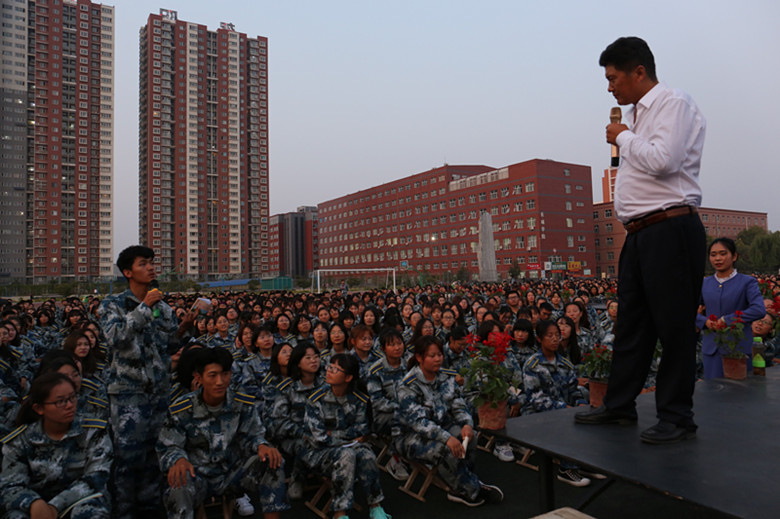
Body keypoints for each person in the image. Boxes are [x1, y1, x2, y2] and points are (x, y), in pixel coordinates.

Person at [575, 37, 707, 446]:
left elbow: (664, 161)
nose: (610, 87)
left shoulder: (673, 104)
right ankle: (619, 405)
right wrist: (627, 135)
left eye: (613, 78)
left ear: (638, 71)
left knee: (673, 326)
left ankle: (676, 416)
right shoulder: (635, 116)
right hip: (639, 235)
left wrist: (622, 138)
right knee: (632, 325)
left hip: (671, 228)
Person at [98, 245, 196, 517]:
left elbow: (167, 345)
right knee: (128, 462)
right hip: (129, 395)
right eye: (143, 264)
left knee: (156, 457)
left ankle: (153, 511)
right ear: (128, 272)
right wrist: (144, 307)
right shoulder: (112, 305)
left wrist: (184, 327)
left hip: (160, 394)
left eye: (152, 262)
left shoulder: (163, 308)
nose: (151, 267)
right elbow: (115, 338)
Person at [156, 347, 289, 519]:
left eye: (225, 374)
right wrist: (178, 459)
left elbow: (252, 435)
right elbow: (168, 445)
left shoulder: (241, 403)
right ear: (198, 377)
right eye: (212, 375)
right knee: (178, 478)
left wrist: (262, 445)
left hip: (232, 473)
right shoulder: (183, 408)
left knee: (273, 461)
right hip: (198, 476)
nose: (220, 381)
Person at [394, 335, 503, 508]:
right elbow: (419, 422)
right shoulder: (408, 385)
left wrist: (467, 424)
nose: (438, 359)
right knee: (446, 448)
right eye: (432, 356)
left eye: (440, 354)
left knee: (470, 436)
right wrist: (446, 437)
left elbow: (458, 405)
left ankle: (464, 483)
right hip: (410, 436)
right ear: (420, 358)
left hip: (441, 425)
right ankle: (471, 489)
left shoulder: (445, 377)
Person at [0, 373, 113, 518]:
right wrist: (34, 503)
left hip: (80, 500)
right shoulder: (20, 440)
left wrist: (55, 506)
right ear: (39, 408)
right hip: (37, 506)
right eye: (60, 402)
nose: (70, 406)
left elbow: (97, 477)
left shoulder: (93, 431)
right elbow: (10, 485)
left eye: (72, 397)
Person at [302, 354, 390, 519]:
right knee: (347, 454)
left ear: (348, 377)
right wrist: (348, 439)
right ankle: (340, 513)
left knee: (367, 454)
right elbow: (319, 438)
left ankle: (375, 506)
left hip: (349, 449)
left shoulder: (359, 400)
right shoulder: (316, 400)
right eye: (330, 367)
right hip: (317, 453)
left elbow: (362, 430)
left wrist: (335, 435)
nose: (329, 371)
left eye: (336, 369)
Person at [695, 238, 765, 378]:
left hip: (738, 350)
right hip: (712, 350)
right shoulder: (704, 283)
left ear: (734, 256)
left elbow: (758, 310)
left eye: (723, 253)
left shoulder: (747, 282)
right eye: (713, 255)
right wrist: (705, 322)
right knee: (713, 393)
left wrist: (728, 320)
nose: (718, 258)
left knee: (741, 395)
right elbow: (688, 310)